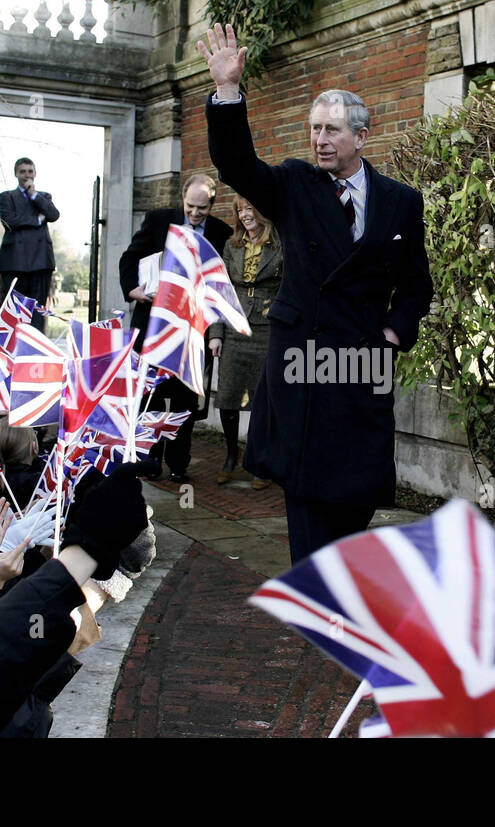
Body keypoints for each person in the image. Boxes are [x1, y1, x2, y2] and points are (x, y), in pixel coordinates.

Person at [198, 24, 434, 562]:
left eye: (331, 130)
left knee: (359, 488)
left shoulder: (400, 202)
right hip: (303, 355)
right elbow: (236, 165)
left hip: (363, 358)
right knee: (305, 485)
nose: (319, 140)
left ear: (362, 136)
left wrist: (397, 329)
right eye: (314, 130)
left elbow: (417, 281)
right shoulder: (294, 185)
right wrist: (228, 92)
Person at [118, 173, 232, 483]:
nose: (195, 213)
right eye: (191, 206)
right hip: (154, 324)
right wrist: (135, 290)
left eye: (202, 208)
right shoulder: (158, 221)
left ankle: (179, 463)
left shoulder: (222, 233)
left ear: (213, 203)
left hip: (193, 331)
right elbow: (130, 258)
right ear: (182, 199)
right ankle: (149, 460)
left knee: (185, 400)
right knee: (151, 394)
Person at [209, 196, 282, 488]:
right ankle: (231, 455)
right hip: (234, 328)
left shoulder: (280, 245)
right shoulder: (231, 245)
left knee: (262, 400)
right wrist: (215, 334)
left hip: (267, 330)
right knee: (227, 397)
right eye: (240, 210)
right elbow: (219, 291)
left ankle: (259, 462)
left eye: (250, 208)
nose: (245, 215)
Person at [0, 157, 59, 332]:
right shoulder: (6, 197)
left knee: (37, 311)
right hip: (14, 263)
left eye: (30, 171)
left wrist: (34, 196)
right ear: (16, 174)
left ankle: (35, 348)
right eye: (22, 171)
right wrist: (37, 220)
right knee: (13, 310)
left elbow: (53, 215)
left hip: (40, 262)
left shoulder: (43, 197)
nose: (26, 175)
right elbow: (9, 221)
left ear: (35, 174)